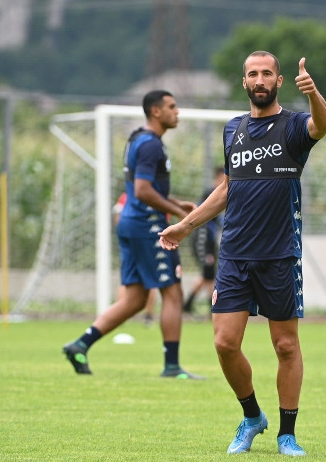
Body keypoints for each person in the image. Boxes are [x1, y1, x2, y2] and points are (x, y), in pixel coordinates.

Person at [159, 51, 326, 456]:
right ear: (244, 82)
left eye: (267, 73)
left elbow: (321, 125)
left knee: (285, 346)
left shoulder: (293, 126)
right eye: (253, 74)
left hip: (279, 254)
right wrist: (186, 225)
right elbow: (228, 187)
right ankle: (252, 416)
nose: (259, 80)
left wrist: (314, 94)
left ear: (279, 81)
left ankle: (287, 434)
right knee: (224, 343)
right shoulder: (233, 129)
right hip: (235, 255)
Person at [63, 90, 203, 379]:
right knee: (173, 292)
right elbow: (142, 191)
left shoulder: (138, 139)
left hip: (131, 223)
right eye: (172, 107)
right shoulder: (150, 144)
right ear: (155, 111)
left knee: (136, 299)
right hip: (148, 226)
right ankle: (172, 366)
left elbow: (144, 188)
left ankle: (80, 345)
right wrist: (178, 214)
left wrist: (176, 204)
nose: (177, 112)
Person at [183, 168, 226, 315]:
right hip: (203, 239)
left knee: (208, 274)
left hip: (209, 240)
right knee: (208, 273)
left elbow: (217, 219)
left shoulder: (216, 192)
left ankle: (189, 304)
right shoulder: (212, 192)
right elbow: (202, 214)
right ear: (219, 176)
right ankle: (208, 306)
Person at [113, 192, 157, 325]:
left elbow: (118, 218)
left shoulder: (125, 196)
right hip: (147, 242)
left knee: (127, 279)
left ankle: (119, 316)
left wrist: (124, 234)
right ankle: (147, 316)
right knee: (151, 279)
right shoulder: (154, 195)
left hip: (132, 240)